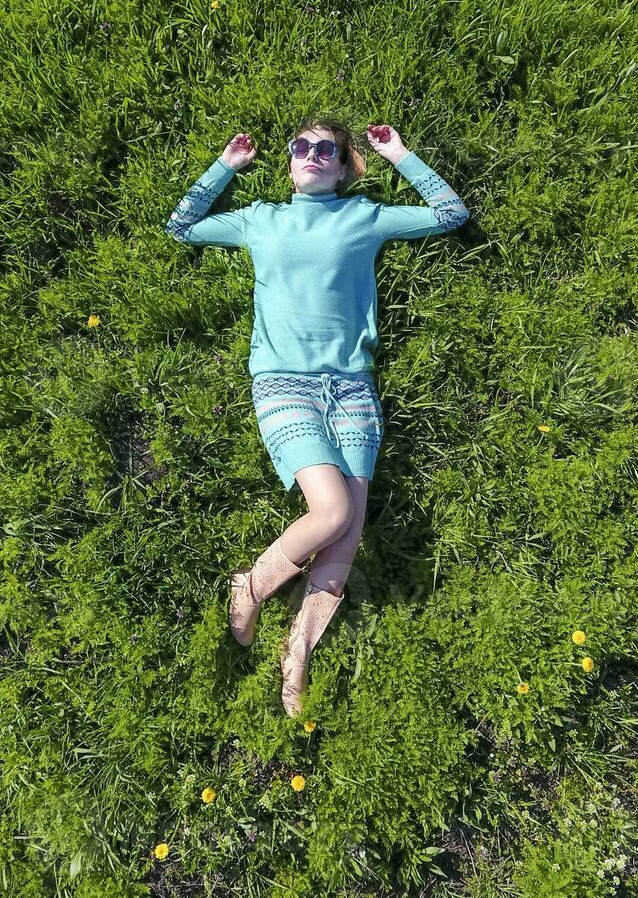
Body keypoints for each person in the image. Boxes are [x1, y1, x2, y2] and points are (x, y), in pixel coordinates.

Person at [165, 117, 469, 717]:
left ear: (343, 164)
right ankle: (249, 586)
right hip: (283, 382)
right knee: (329, 511)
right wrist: (224, 167)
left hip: (353, 387)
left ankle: (298, 650)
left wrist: (401, 155)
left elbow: (450, 214)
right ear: (290, 163)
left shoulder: (366, 217)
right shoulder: (261, 219)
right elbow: (183, 226)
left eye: (324, 148)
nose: (310, 154)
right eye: (300, 147)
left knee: (348, 529)